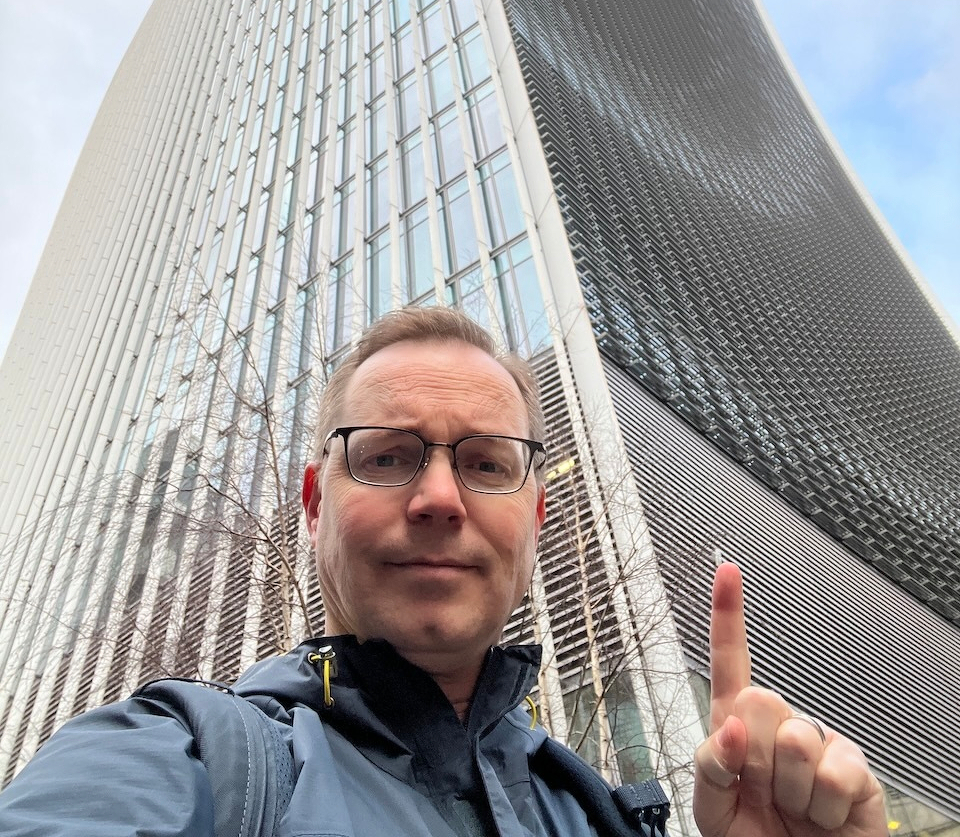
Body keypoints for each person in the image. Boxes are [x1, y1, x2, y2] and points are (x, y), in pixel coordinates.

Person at [0, 306, 885, 837]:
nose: (437, 498)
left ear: (535, 513)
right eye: (386, 456)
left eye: (487, 463)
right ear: (316, 504)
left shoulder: (599, 814)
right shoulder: (177, 758)